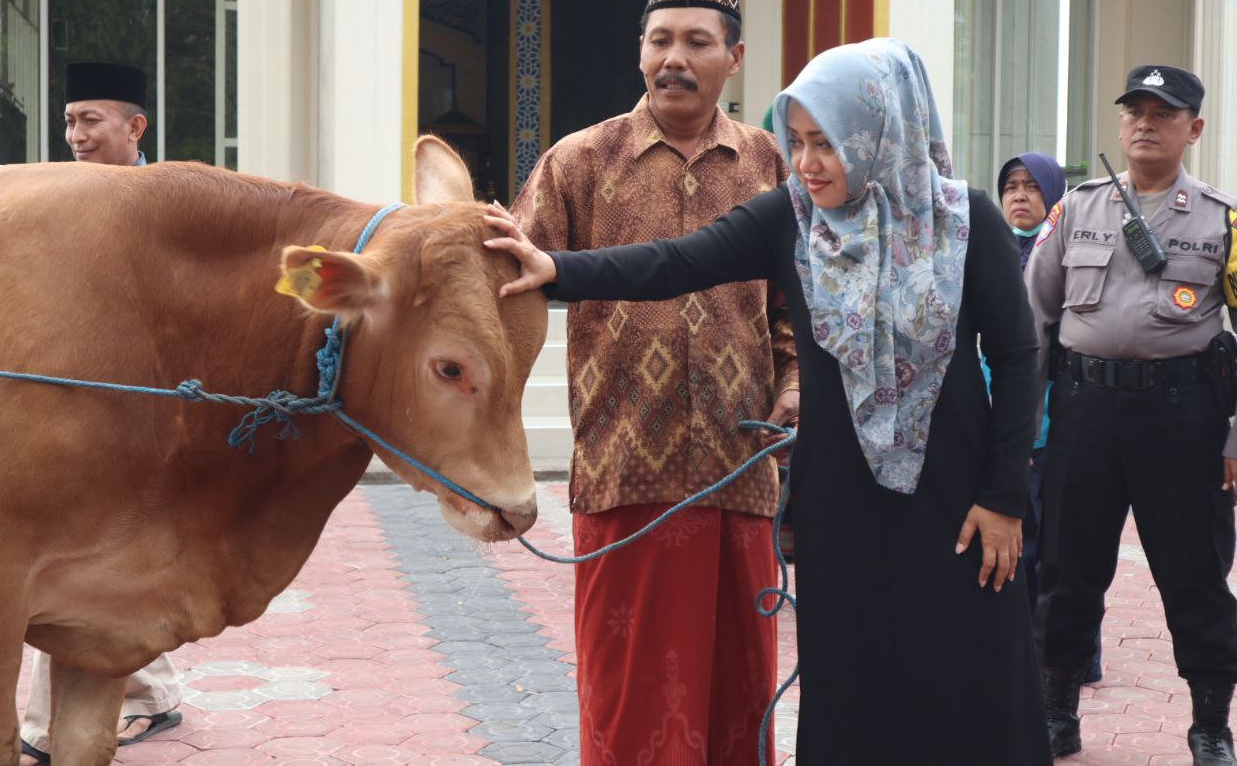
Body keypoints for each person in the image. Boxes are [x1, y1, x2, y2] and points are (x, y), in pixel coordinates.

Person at [490, 37, 1052, 765]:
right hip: (840, 502)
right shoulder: (791, 219)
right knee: (851, 680)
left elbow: (1017, 359)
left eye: (828, 143)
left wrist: (1005, 496)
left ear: (878, 134)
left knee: (966, 673)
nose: (809, 162)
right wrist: (554, 268)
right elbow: (675, 261)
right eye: (798, 141)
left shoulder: (966, 220)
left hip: (957, 499)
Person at [510, 0, 799, 762]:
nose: (675, 57)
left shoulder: (771, 165)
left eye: (697, 42)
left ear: (733, 59)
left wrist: (797, 381)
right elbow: (509, 283)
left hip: (740, 466)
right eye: (660, 39)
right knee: (628, 694)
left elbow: (795, 308)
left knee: (740, 693)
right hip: (622, 463)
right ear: (640, 51)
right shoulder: (579, 161)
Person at [1026, 65, 1237, 765]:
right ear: (1120, 123)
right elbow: (1033, 322)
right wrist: (1021, 430)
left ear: (1194, 129)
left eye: (1164, 113)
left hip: (1183, 417)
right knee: (1067, 565)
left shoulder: (1223, 220)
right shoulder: (1076, 210)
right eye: (1134, 110)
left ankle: (1210, 723)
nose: (1145, 123)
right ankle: (1056, 710)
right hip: (1085, 410)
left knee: (1195, 572)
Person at [20, 61, 183, 766]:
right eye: (68, 121)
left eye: (89, 120)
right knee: (84, 559)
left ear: (134, 126)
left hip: (144, 411)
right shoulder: (55, 196)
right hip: (68, 407)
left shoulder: (173, 201)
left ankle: (43, 726)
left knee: (81, 563)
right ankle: (151, 695)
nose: (74, 135)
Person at [992, 152, 1105, 683]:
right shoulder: (987, 251)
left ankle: (1070, 659)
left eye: (1032, 187)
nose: (1019, 195)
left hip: (1054, 424)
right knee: (1019, 543)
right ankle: (1019, 649)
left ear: (1054, 195)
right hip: (1001, 422)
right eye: (1011, 186)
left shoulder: (1066, 253)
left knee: (1060, 548)